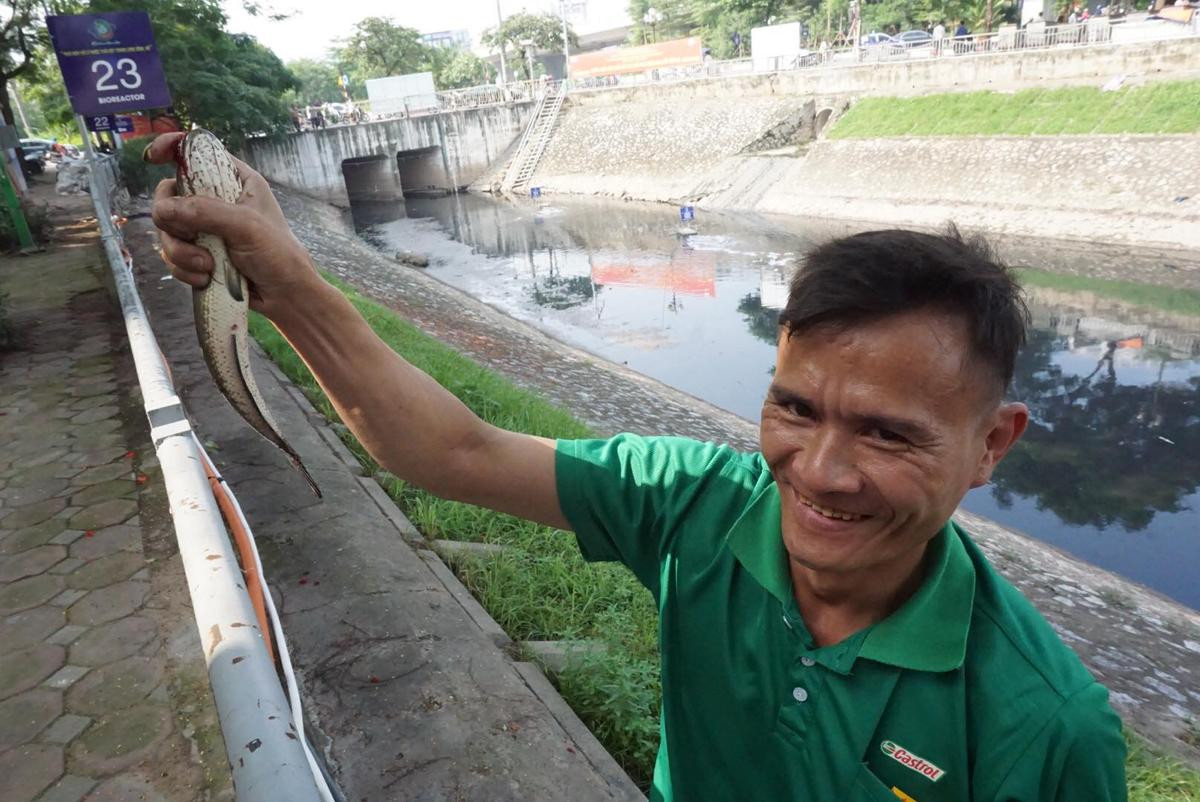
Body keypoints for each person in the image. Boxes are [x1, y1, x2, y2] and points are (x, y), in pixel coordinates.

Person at [145, 133, 1128, 802]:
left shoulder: (1045, 724)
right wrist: (286, 281)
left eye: (888, 434)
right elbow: (450, 451)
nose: (820, 471)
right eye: (793, 406)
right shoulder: (693, 504)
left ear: (992, 444)